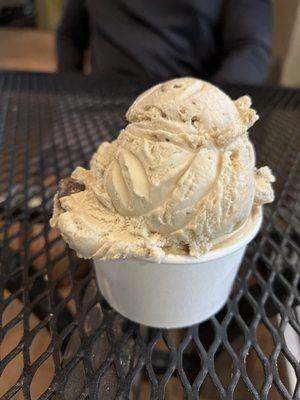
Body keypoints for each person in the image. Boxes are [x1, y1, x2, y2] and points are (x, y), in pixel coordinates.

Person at [57, 0, 272, 84]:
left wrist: (205, 106)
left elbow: (251, 49)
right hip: (98, 102)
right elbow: (69, 35)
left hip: (187, 113)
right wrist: (70, 88)